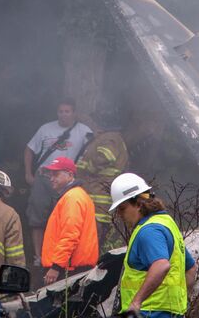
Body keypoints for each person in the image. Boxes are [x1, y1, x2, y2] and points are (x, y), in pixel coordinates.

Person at [109, 173, 197, 317]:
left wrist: (136, 302)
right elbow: (191, 269)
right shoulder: (166, 223)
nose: (119, 215)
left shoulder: (148, 231)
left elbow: (161, 265)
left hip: (147, 313)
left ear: (138, 203)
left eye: (122, 208)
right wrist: (178, 303)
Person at [24, 98, 92, 266]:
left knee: (64, 221)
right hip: (44, 178)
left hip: (67, 182)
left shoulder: (84, 131)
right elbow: (29, 149)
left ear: (74, 113)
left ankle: (61, 258)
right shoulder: (46, 129)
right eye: (60, 111)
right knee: (37, 218)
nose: (63, 115)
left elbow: (93, 152)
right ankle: (39, 257)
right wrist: (28, 174)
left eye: (67, 111)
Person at [77, 106, 129, 253]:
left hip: (100, 191)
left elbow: (106, 156)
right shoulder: (108, 136)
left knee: (97, 227)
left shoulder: (110, 137)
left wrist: (89, 168)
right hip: (96, 188)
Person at [41, 157, 98, 285]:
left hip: (69, 270)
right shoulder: (75, 195)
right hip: (71, 267)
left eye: (56, 174)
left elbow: (70, 234)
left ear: (70, 175)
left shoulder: (72, 197)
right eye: (50, 175)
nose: (51, 178)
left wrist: (56, 267)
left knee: (62, 305)